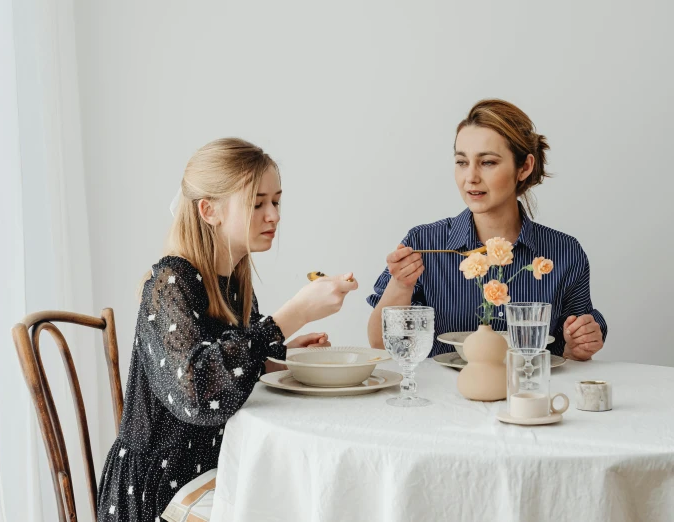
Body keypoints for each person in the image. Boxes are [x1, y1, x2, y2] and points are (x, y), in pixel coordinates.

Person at [97, 138, 358, 521]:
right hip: (158, 496)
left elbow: (228, 372)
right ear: (209, 211)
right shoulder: (169, 283)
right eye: (257, 204)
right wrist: (292, 314)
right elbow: (199, 394)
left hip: (212, 476)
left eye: (276, 201)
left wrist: (275, 359)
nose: (274, 216)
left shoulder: (232, 284)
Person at [367, 99, 607, 360]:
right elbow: (380, 344)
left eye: (488, 162)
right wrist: (401, 285)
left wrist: (578, 346)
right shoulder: (423, 242)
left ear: (524, 167)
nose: (470, 177)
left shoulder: (564, 252)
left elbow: (572, 350)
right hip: (443, 397)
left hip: (527, 395)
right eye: (461, 162)